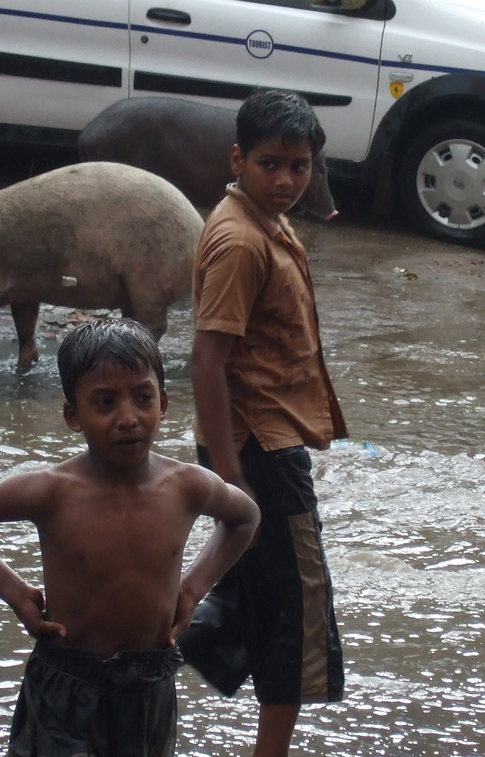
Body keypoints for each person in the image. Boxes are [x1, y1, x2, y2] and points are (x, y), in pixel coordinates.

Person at [0, 317, 260, 757]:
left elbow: (246, 518)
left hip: (149, 680)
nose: (127, 418)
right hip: (68, 682)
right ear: (73, 415)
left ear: (162, 402)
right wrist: (15, 594)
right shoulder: (52, 491)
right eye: (104, 402)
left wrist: (194, 589)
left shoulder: (187, 486)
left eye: (142, 398)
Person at [178, 89, 349, 757]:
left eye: (299, 167)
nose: (286, 180)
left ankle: (149, 643)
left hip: (259, 444)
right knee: (299, 616)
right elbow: (206, 361)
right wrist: (230, 477)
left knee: (255, 597)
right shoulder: (242, 240)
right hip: (258, 455)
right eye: (271, 165)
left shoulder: (263, 221)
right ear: (238, 159)